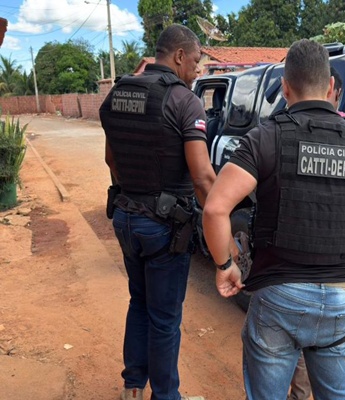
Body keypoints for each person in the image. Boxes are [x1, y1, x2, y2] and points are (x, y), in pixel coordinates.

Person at [202, 39, 345, 400]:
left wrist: (224, 266)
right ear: (331, 87)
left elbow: (216, 209)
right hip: (338, 299)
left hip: (277, 298)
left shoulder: (265, 137)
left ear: (285, 88)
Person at [100, 24, 214, 400]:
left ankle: (133, 387)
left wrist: (136, 193)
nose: (198, 69)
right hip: (165, 228)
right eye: (196, 60)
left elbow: (110, 159)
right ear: (179, 56)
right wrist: (221, 224)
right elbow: (202, 177)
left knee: (139, 303)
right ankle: (166, 396)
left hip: (125, 218)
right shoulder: (184, 100)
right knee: (165, 319)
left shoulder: (118, 92)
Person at [288, 65, 345, 400]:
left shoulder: (281, 130)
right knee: (339, 331)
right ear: (333, 90)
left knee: (299, 331)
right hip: (343, 255)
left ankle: (300, 394)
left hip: (294, 255)